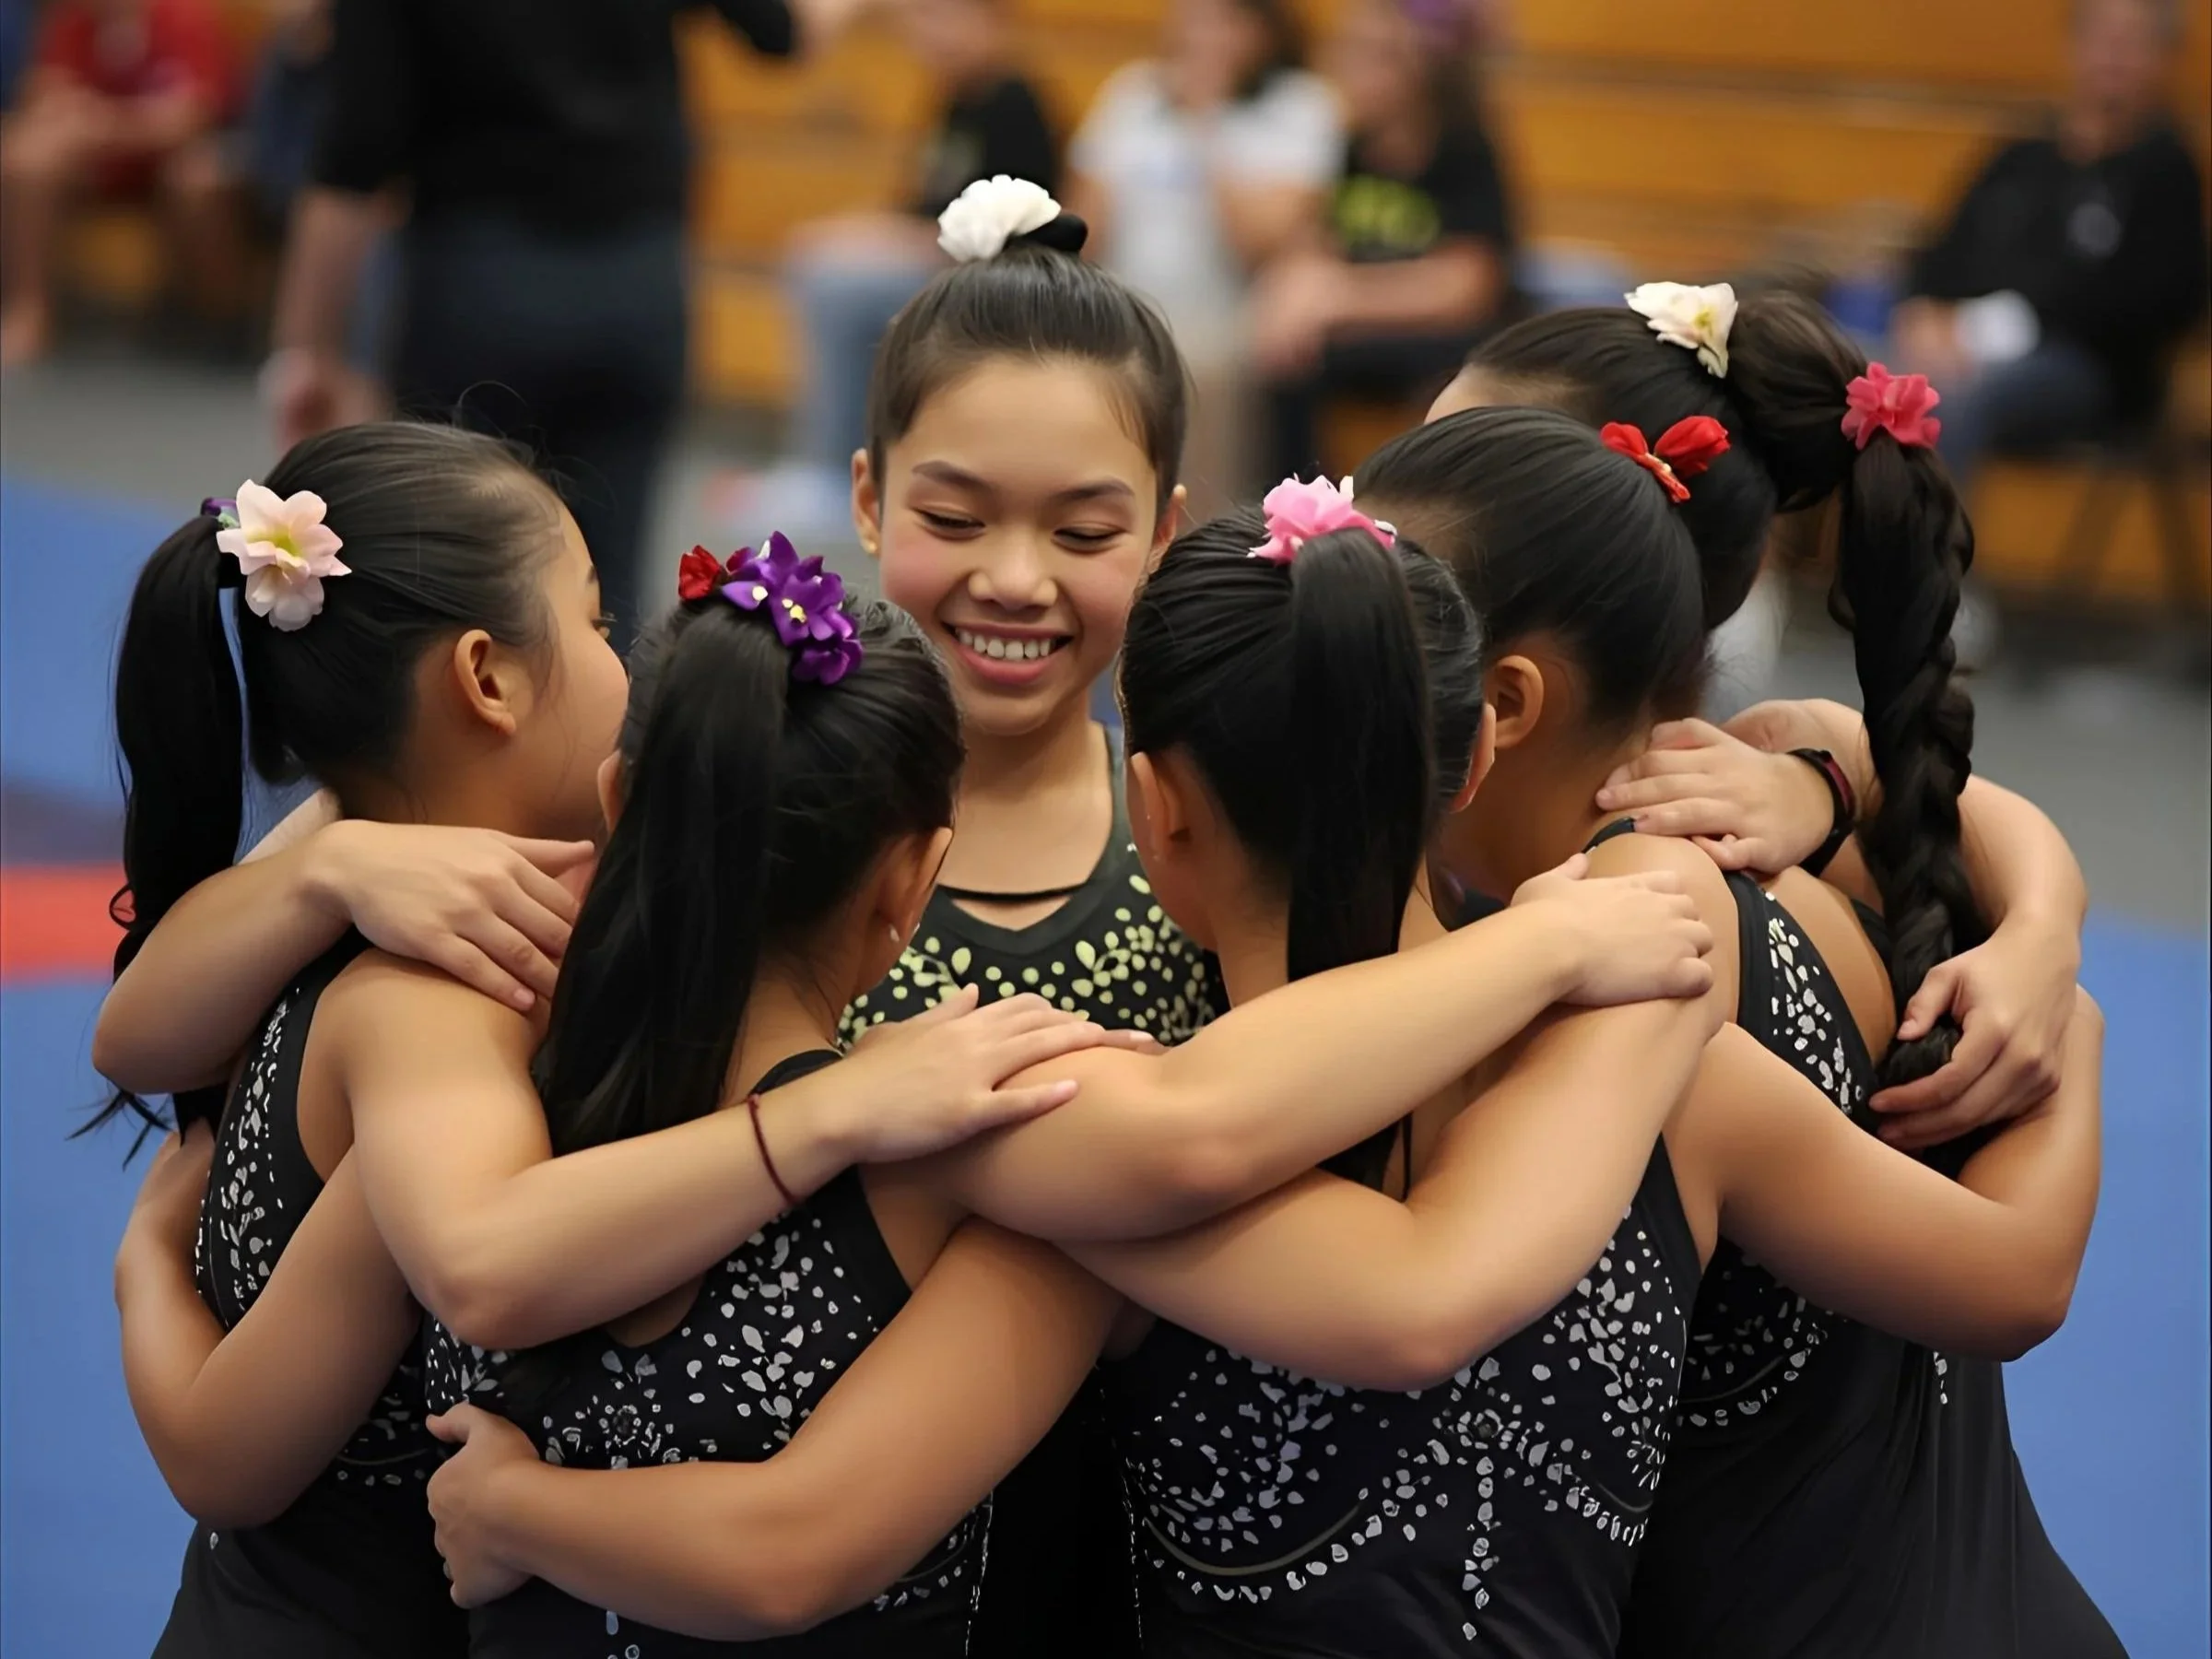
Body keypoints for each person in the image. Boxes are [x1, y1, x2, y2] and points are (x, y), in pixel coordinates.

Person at [412, 473, 2100, 1659]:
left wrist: (532, 1514)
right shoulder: (1663, 1070)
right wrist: (2056, 992)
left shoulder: (1092, 1138)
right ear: (1470, 749)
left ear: (1153, 809)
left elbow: (803, 1530)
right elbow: (2014, 1274)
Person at [99, 422, 1139, 1657]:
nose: (618, 657)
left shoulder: (378, 871)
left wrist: (328, 862)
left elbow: (132, 1036)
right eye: (596, 622)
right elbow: (268, 1429)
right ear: (485, 677)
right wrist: (828, 1111)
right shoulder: (444, 993)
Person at [1381, 363, 2119, 1647]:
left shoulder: (1636, 931)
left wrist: (2063, 980)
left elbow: (2013, 1278)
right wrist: (2045, 937)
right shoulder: (1785, 813)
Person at [260, 0, 871, 656]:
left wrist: (306, 348)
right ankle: (613, 755)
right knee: (610, 602)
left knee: (456, 588)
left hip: (479, 287)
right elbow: (785, 32)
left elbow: (356, 152)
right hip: (637, 282)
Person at [747, 0, 1060, 544]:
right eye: (924, 19)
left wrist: (880, 242)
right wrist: (863, 231)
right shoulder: (956, 100)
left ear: (993, 21)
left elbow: (1005, 233)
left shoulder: (1013, 104)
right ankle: (844, 458)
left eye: (946, 17)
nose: (930, 35)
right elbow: (924, 205)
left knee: (835, 284)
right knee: (827, 261)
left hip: (996, 283)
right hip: (944, 269)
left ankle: (829, 467)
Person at [1891, 0, 2207, 477]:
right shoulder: (2021, 159)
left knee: (1949, 402)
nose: (2113, 54)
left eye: (2132, 41)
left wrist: (2001, 329)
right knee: (1844, 375)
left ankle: (1929, 551)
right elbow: (1939, 254)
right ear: (2074, 46)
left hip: (2086, 373)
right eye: (2102, 37)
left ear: (2163, 56)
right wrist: (1923, 311)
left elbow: (2157, 304)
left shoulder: (2167, 171)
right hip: (1961, 346)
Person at [1064, 0, 1341, 511]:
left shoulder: (1300, 106)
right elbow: (1082, 228)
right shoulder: (1135, 92)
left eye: (1225, 19)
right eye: (1194, 15)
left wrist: (1205, 123)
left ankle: (1196, 539)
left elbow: (1261, 243)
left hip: (1230, 316)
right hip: (1124, 303)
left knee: (1192, 368)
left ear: (1265, 30)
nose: (1204, 34)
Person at [1255, 0, 1515, 484]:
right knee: (1287, 352)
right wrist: (1293, 289)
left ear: (1417, 68)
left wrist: (1338, 299)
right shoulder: (1352, 146)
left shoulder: (1463, 148)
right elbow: (1318, 240)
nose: (1347, 70)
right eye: (1346, 51)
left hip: (1447, 339)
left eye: (1372, 55)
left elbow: (1467, 285)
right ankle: (1292, 504)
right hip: (1370, 330)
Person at [0, 0, 241, 365]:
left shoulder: (185, 16)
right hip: (96, 163)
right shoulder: (74, 22)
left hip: (165, 161)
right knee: (28, 157)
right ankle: (28, 310)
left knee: (199, 179)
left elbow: (194, 113)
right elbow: (47, 94)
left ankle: (219, 322)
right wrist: (86, 122)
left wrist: (108, 124)